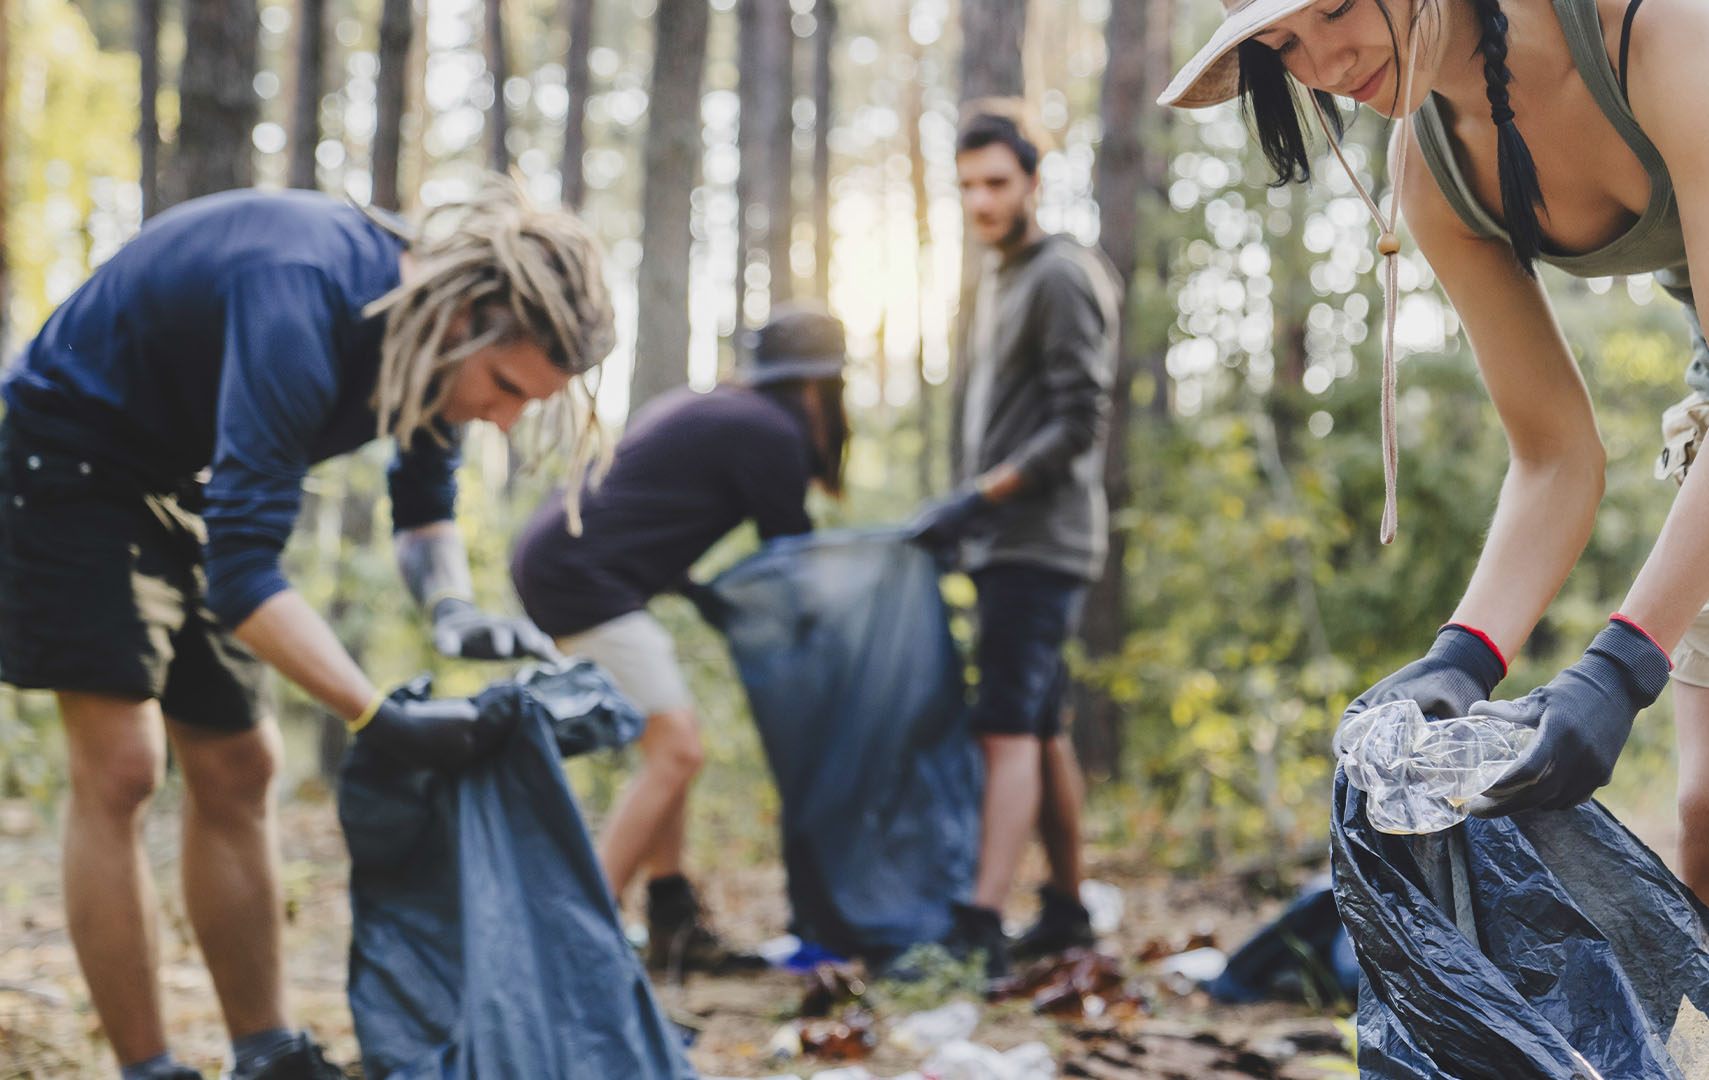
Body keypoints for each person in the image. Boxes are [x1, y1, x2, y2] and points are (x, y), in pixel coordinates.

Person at [1163, 0, 1709, 1054]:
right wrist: (1459, 659)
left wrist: (1619, 669)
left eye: (1336, 7)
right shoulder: (1433, 170)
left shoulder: (1654, 23)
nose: (1326, 61)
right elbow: (1557, 455)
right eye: (1284, 44)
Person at [0, 178, 615, 1080]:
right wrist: (378, 715)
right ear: (466, 318)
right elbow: (249, 580)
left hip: (179, 482)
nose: (505, 415)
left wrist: (455, 612)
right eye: (506, 387)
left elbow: (425, 511)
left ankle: (269, 1055)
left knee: (243, 765)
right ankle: (149, 1069)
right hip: (67, 456)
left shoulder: (430, 346)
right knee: (125, 769)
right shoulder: (303, 290)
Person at [511, 304, 850, 975]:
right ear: (817, 388)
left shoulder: (720, 409)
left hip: (562, 564)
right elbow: (793, 560)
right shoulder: (770, 431)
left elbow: (654, 511)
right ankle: (579, 940)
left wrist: (702, 595)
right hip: (582, 578)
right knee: (677, 749)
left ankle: (671, 918)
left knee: (668, 740)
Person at [908, 103, 1123, 978]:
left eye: (997, 182)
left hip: (1039, 541)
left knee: (1004, 727)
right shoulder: (1000, 277)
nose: (982, 200)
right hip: (1006, 542)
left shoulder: (1062, 274)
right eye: (967, 186)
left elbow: (1081, 420)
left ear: (1034, 182)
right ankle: (1067, 909)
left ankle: (980, 925)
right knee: (1037, 729)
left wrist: (977, 499)